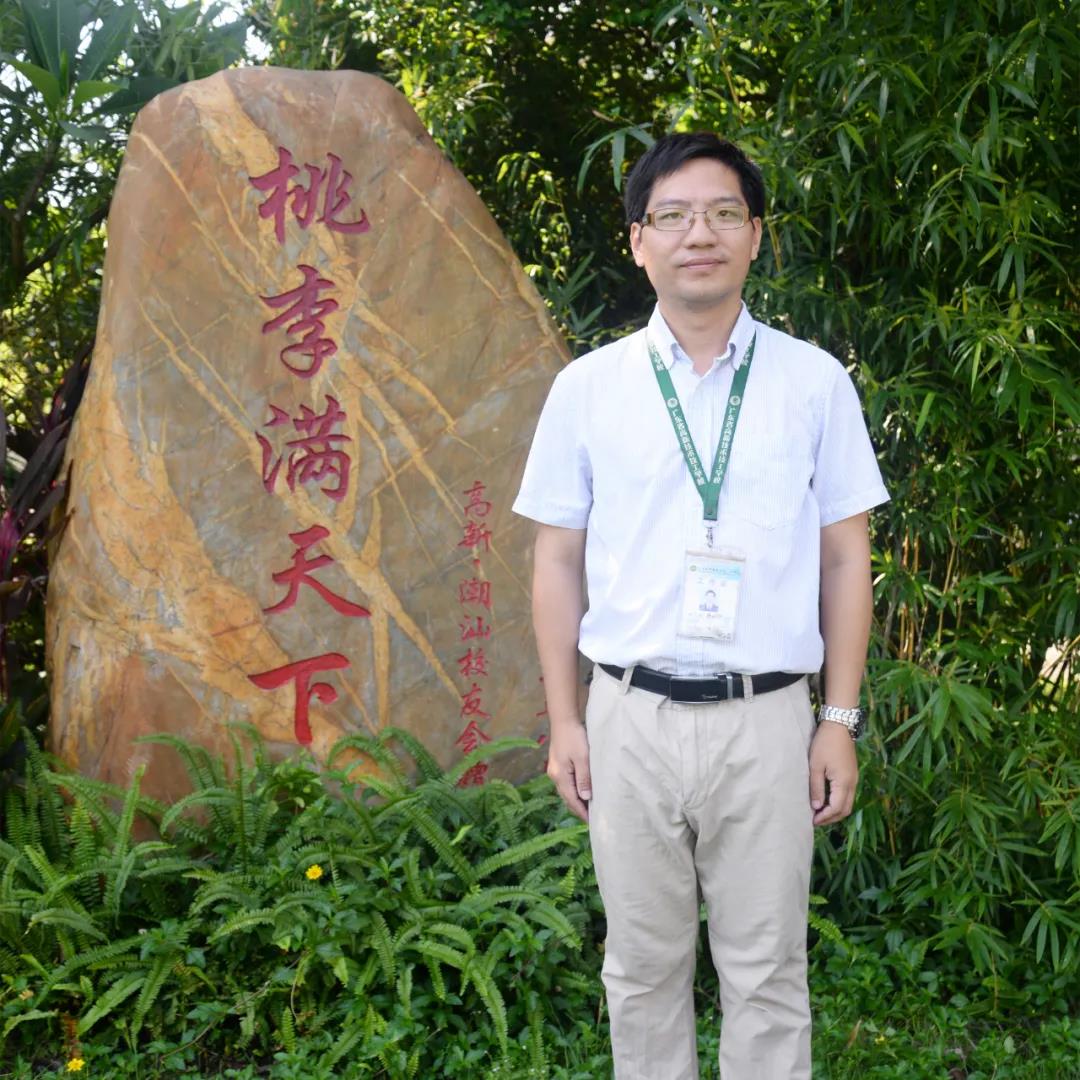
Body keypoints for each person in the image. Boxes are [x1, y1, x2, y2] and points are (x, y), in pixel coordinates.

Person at [512, 132, 889, 1080]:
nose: (700, 235)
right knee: (641, 969)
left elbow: (846, 557)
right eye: (672, 216)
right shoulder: (587, 389)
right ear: (638, 241)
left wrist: (838, 719)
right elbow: (556, 559)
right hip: (627, 716)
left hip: (767, 718)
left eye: (724, 213)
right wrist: (566, 719)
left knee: (768, 970)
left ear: (756, 235)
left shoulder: (813, 382)